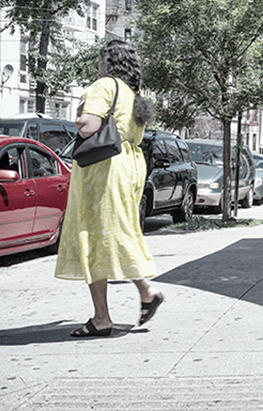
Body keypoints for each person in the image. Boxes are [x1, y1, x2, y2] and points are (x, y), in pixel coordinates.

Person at [55, 40, 163, 337]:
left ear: (108, 62)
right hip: (128, 166)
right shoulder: (133, 93)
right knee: (112, 232)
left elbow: (88, 126)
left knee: (94, 235)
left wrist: (79, 109)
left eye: (100, 60)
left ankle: (109, 314)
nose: (97, 65)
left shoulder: (104, 86)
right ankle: (126, 303)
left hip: (103, 169)